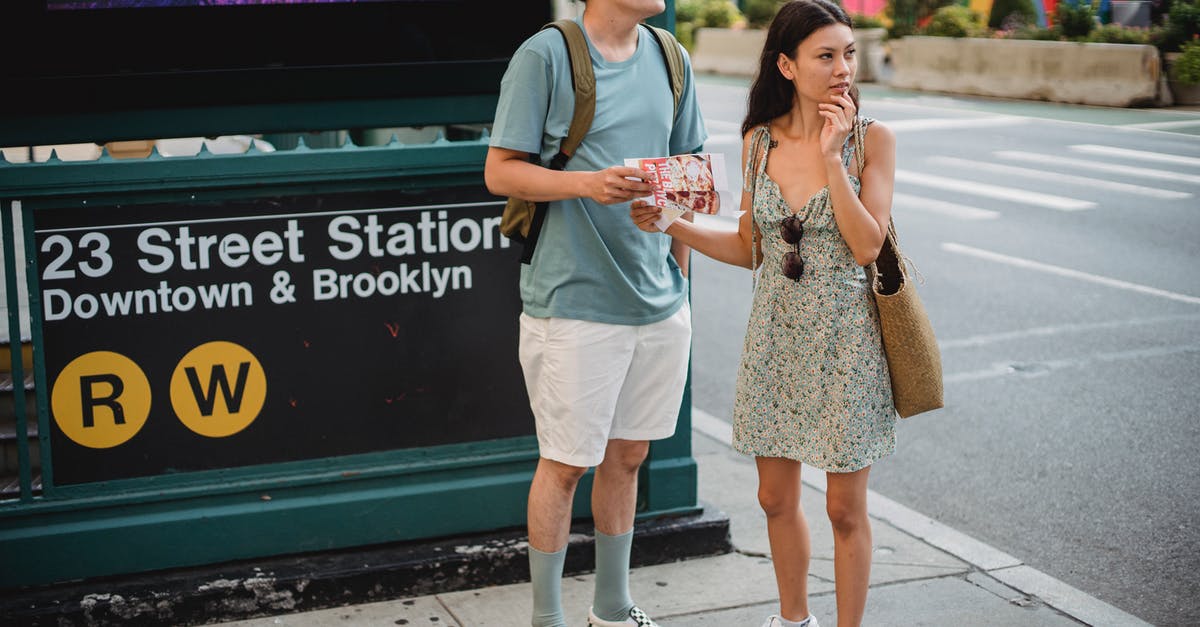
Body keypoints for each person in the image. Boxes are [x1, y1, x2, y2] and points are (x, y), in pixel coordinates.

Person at [630, 1, 897, 626]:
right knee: (774, 498)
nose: (842, 70)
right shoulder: (758, 141)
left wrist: (833, 160)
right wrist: (673, 222)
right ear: (787, 64)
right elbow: (751, 247)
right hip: (775, 335)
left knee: (843, 509)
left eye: (849, 54)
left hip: (847, 340)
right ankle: (792, 619)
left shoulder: (872, 139)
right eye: (825, 56)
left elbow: (867, 246)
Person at [483, 0, 707, 625]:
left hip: (659, 299)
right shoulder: (545, 55)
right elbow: (499, 171)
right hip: (574, 298)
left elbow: (689, 172)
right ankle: (547, 618)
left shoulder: (671, 57)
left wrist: (678, 276)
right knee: (566, 462)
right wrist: (588, 183)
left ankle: (612, 607)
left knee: (629, 456)